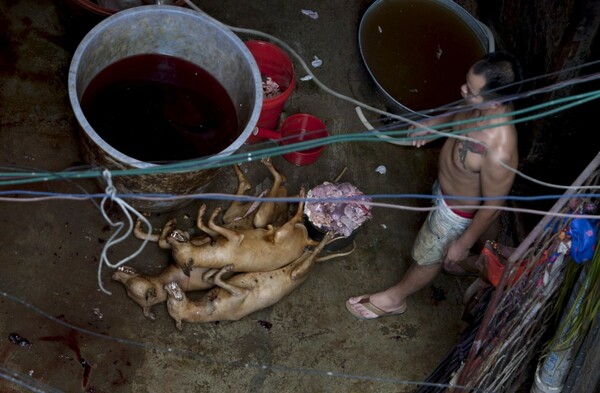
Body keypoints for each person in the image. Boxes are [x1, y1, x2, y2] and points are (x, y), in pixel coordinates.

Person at [346, 51, 524, 319]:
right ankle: (474, 263)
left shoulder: (500, 150)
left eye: (472, 91)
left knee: (427, 256)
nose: (463, 90)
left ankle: (395, 299)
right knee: (445, 253)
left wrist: (463, 242)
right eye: (467, 83)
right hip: (445, 187)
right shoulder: (478, 102)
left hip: (454, 213)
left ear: (495, 103)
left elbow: (493, 206)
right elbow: (460, 109)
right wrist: (433, 123)